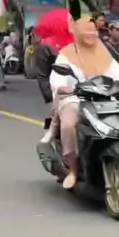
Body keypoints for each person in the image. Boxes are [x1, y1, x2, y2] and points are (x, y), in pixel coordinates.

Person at [50, 17, 119, 190]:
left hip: (103, 97)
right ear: (77, 33)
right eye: (86, 31)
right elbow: (57, 78)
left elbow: (117, 73)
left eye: (93, 30)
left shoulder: (102, 52)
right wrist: (63, 87)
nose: (91, 34)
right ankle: (73, 170)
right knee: (69, 125)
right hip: (75, 97)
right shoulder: (67, 54)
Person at [35, 9, 74, 143]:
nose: (73, 23)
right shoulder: (46, 46)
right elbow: (42, 75)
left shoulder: (76, 41)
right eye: (70, 20)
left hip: (79, 84)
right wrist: (50, 98)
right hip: (58, 87)